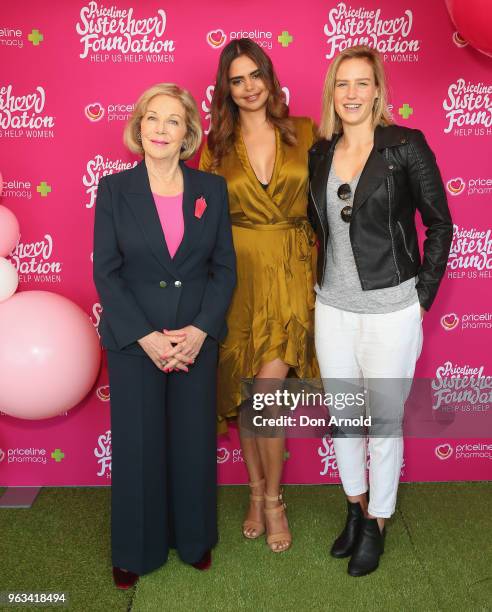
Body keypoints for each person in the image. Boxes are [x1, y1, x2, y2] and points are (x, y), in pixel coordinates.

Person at [309, 45, 453, 576]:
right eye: (342, 84)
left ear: (378, 90)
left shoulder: (405, 147)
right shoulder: (320, 152)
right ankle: (355, 509)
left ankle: (380, 522)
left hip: (392, 308)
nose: (351, 94)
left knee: (384, 423)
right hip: (333, 309)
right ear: (333, 92)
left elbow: (441, 224)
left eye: (361, 83)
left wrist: (420, 299)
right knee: (346, 421)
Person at [93, 83, 236, 587]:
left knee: (193, 443)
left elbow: (224, 270)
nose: (160, 129)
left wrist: (200, 332)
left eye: (172, 120)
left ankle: (194, 539)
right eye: (152, 118)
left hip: (196, 341)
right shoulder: (113, 190)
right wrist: (146, 337)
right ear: (139, 127)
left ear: (187, 133)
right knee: (138, 446)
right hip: (136, 344)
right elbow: (106, 273)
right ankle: (135, 549)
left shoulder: (211, 190)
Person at [200, 38, 319, 553]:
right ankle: (254, 492)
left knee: (265, 398)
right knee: (249, 397)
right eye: (237, 79)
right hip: (236, 277)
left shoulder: (308, 132)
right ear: (226, 89)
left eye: (255, 76)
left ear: (270, 79)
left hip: (292, 270)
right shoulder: (214, 147)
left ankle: (273, 502)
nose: (248, 87)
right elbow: (199, 222)